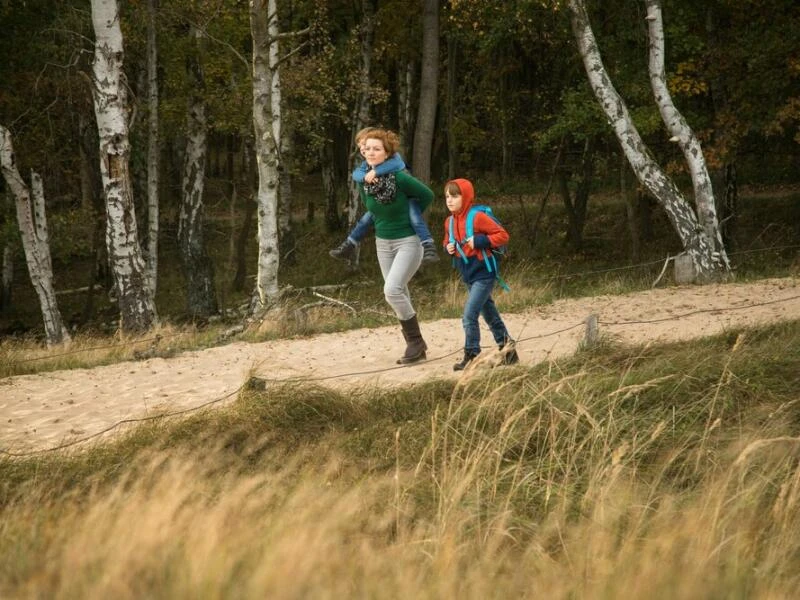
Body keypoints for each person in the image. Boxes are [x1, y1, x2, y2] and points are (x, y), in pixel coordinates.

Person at [356, 128, 434, 364]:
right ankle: (417, 347)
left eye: (376, 148)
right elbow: (371, 208)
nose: (371, 152)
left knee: (391, 291)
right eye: (367, 148)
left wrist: (409, 214)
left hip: (408, 241)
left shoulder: (400, 177)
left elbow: (428, 195)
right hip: (383, 243)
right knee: (399, 292)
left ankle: (415, 342)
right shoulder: (365, 180)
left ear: (387, 153)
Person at [329, 128, 439, 264]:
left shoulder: (394, 159)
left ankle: (429, 245)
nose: (364, 150)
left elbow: (399, 165)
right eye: (362, 147)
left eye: (366, 145)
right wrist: (365, 177)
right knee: (365, 219)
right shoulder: (366, 166)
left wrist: (376, 172)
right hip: (383, 216)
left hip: (408, 197)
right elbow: (356, 174)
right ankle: (349, 244)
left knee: (415, 218)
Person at [443, 178, 520, 371]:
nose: (449, 200)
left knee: (469, 315)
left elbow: (503, 235)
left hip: (485, 272)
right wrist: (448, 247)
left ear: (466, 196)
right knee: (489, 314)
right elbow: (446, 241)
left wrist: (479, 241)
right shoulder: (449, 221)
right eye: (446, 196)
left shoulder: (477, 217)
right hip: (467, 272)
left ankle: (472, 354)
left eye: (455, 195)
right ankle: (508, 351)